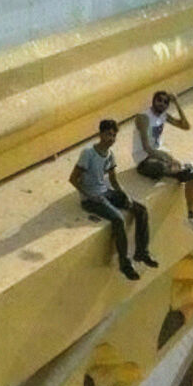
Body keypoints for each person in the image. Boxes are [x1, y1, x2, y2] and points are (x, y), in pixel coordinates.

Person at [70, 119, 158, 281]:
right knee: (118, 219)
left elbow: (114, 180)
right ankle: (125, 264)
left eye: (114, 135)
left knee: (140, 209)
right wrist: (89, 195)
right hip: (91, 199)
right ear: (100, 134)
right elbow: (73, 179)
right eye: (108, 134)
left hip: (105, 192)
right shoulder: (88, 153)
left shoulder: (110, 155)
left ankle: (142, 252)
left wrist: (125, 196)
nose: (111, 138)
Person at [134, 90, 193, 233]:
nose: (161, 104)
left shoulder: (163, 116)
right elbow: (146, 148)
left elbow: (186, 126)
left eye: (165, 102)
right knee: (161, 167)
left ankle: (191, 217)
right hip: (144, 161)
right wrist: (166, 157)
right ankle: (185, 166)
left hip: (159, 157)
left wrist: (177, 103)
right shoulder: (143, 118)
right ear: (153, 101)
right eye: (159, 100)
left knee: (189, 175)